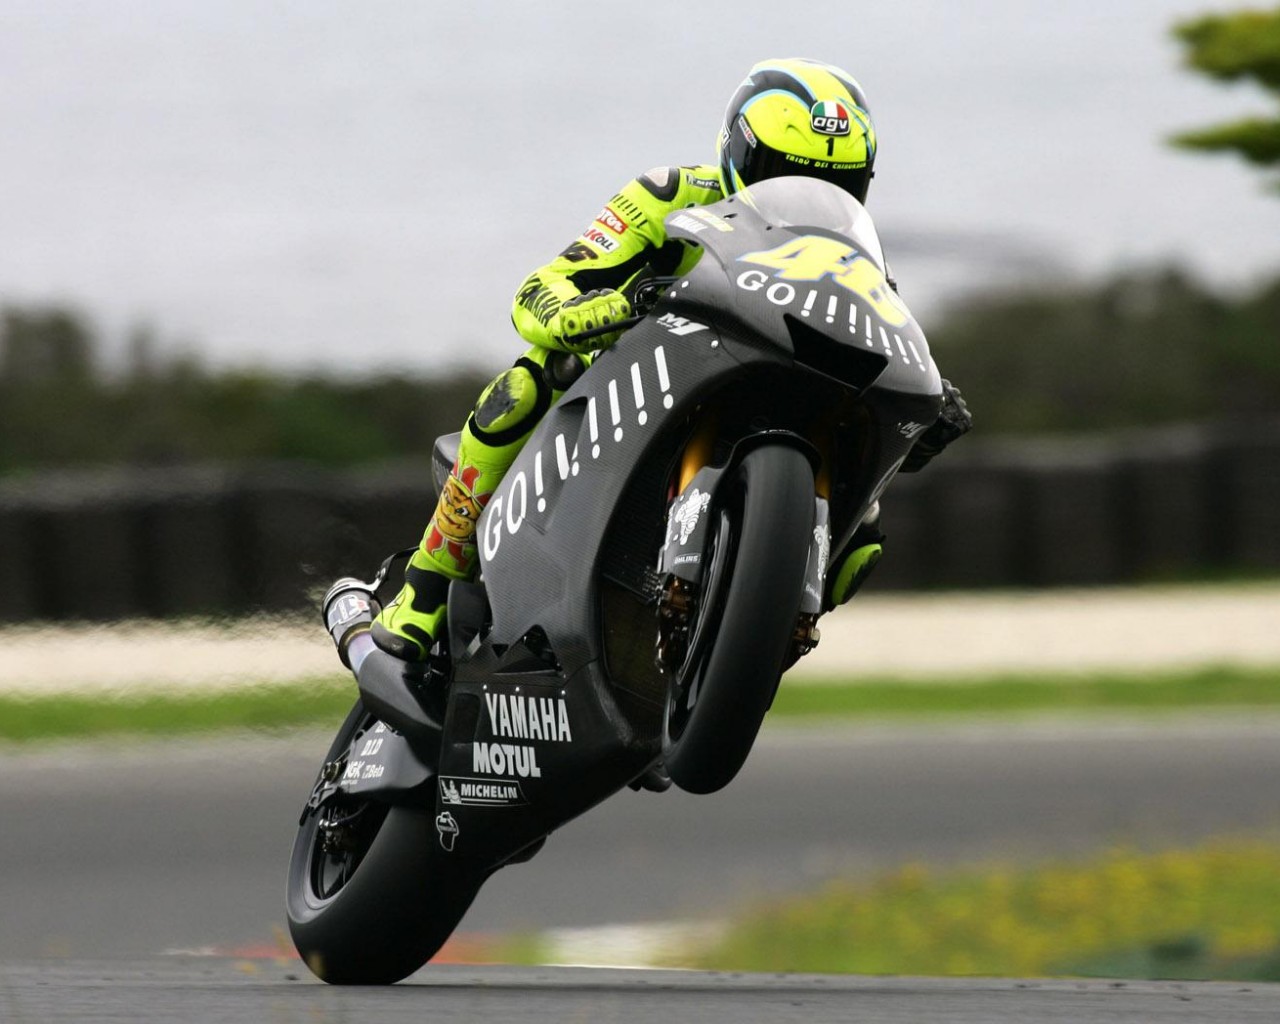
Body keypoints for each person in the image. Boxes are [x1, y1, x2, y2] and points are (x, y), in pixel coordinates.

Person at [371, 57, 972, 663]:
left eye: (835, 185)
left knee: (865, 536)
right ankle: (426, 586)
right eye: (783, 174)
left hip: (783, 390)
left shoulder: (858, 258)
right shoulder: (670, 194)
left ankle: (759, 633)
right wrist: (581, 312)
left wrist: (919, 422)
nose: (808, 196)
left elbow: (884, 344)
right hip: (646, 376)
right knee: (524, 388)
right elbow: (544, 287)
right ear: (736, 155)